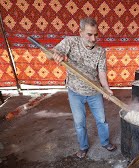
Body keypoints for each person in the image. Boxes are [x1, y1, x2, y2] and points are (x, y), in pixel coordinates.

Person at [49, 17, 117, 159]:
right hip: (75, 91)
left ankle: (105, 142)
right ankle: (83, 147)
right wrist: (56, 55)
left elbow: (102, 72)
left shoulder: (100, 51)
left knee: (102, 120)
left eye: (96, 34)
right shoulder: (70, 42)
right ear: (80, 32)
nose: (93, 39)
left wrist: (105, 87)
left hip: (94, 91)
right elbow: (52, 52)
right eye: (89, 34)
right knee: (79, 121)